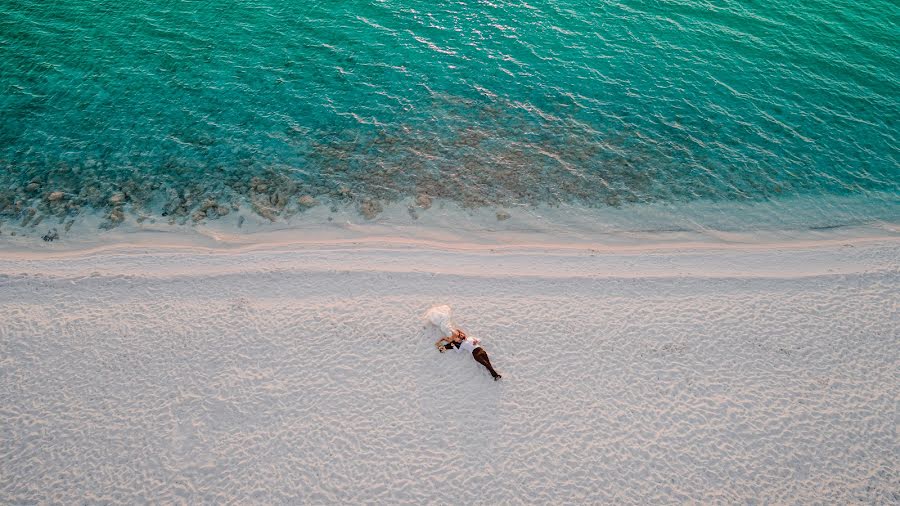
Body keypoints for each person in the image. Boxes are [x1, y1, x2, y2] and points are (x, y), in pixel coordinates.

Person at [435, 329, 502, 381]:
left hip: (481, 350)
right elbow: (458, 351)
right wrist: (454, 346)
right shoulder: (462, 345)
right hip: (475, 354)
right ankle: (496, 375)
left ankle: (495, 376)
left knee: (488, 363)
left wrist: (476, 341)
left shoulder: (470, 338)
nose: (462, 335)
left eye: (462, 335)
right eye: (460, 336)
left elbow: (479, 339)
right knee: (486, 364)